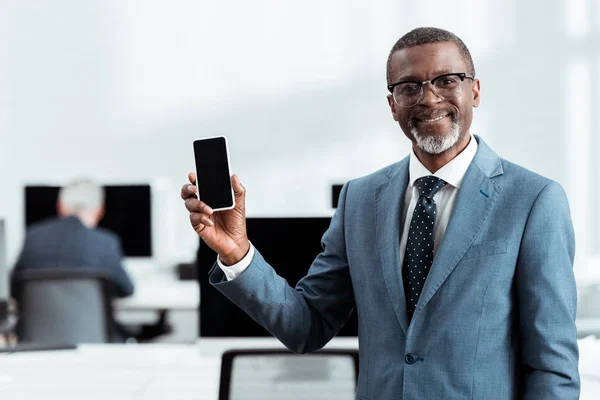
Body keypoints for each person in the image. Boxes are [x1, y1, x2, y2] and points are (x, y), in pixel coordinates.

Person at [181, 27, 579, 399]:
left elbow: (552, 367)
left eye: (446, 80)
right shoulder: (360, 199)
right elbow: (307, 325)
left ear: (474, 90)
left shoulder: (533, 200)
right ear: (393, 105)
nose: (428, 98)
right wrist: (237, 252)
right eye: (409, 87)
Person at [12, 179, 134, 298]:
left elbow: (13, 286)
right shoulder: (105, 243)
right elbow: (127, 289)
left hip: (37, 318)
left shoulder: (33, 237)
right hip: (88, 318)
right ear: (100, 210)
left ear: (59, 205)